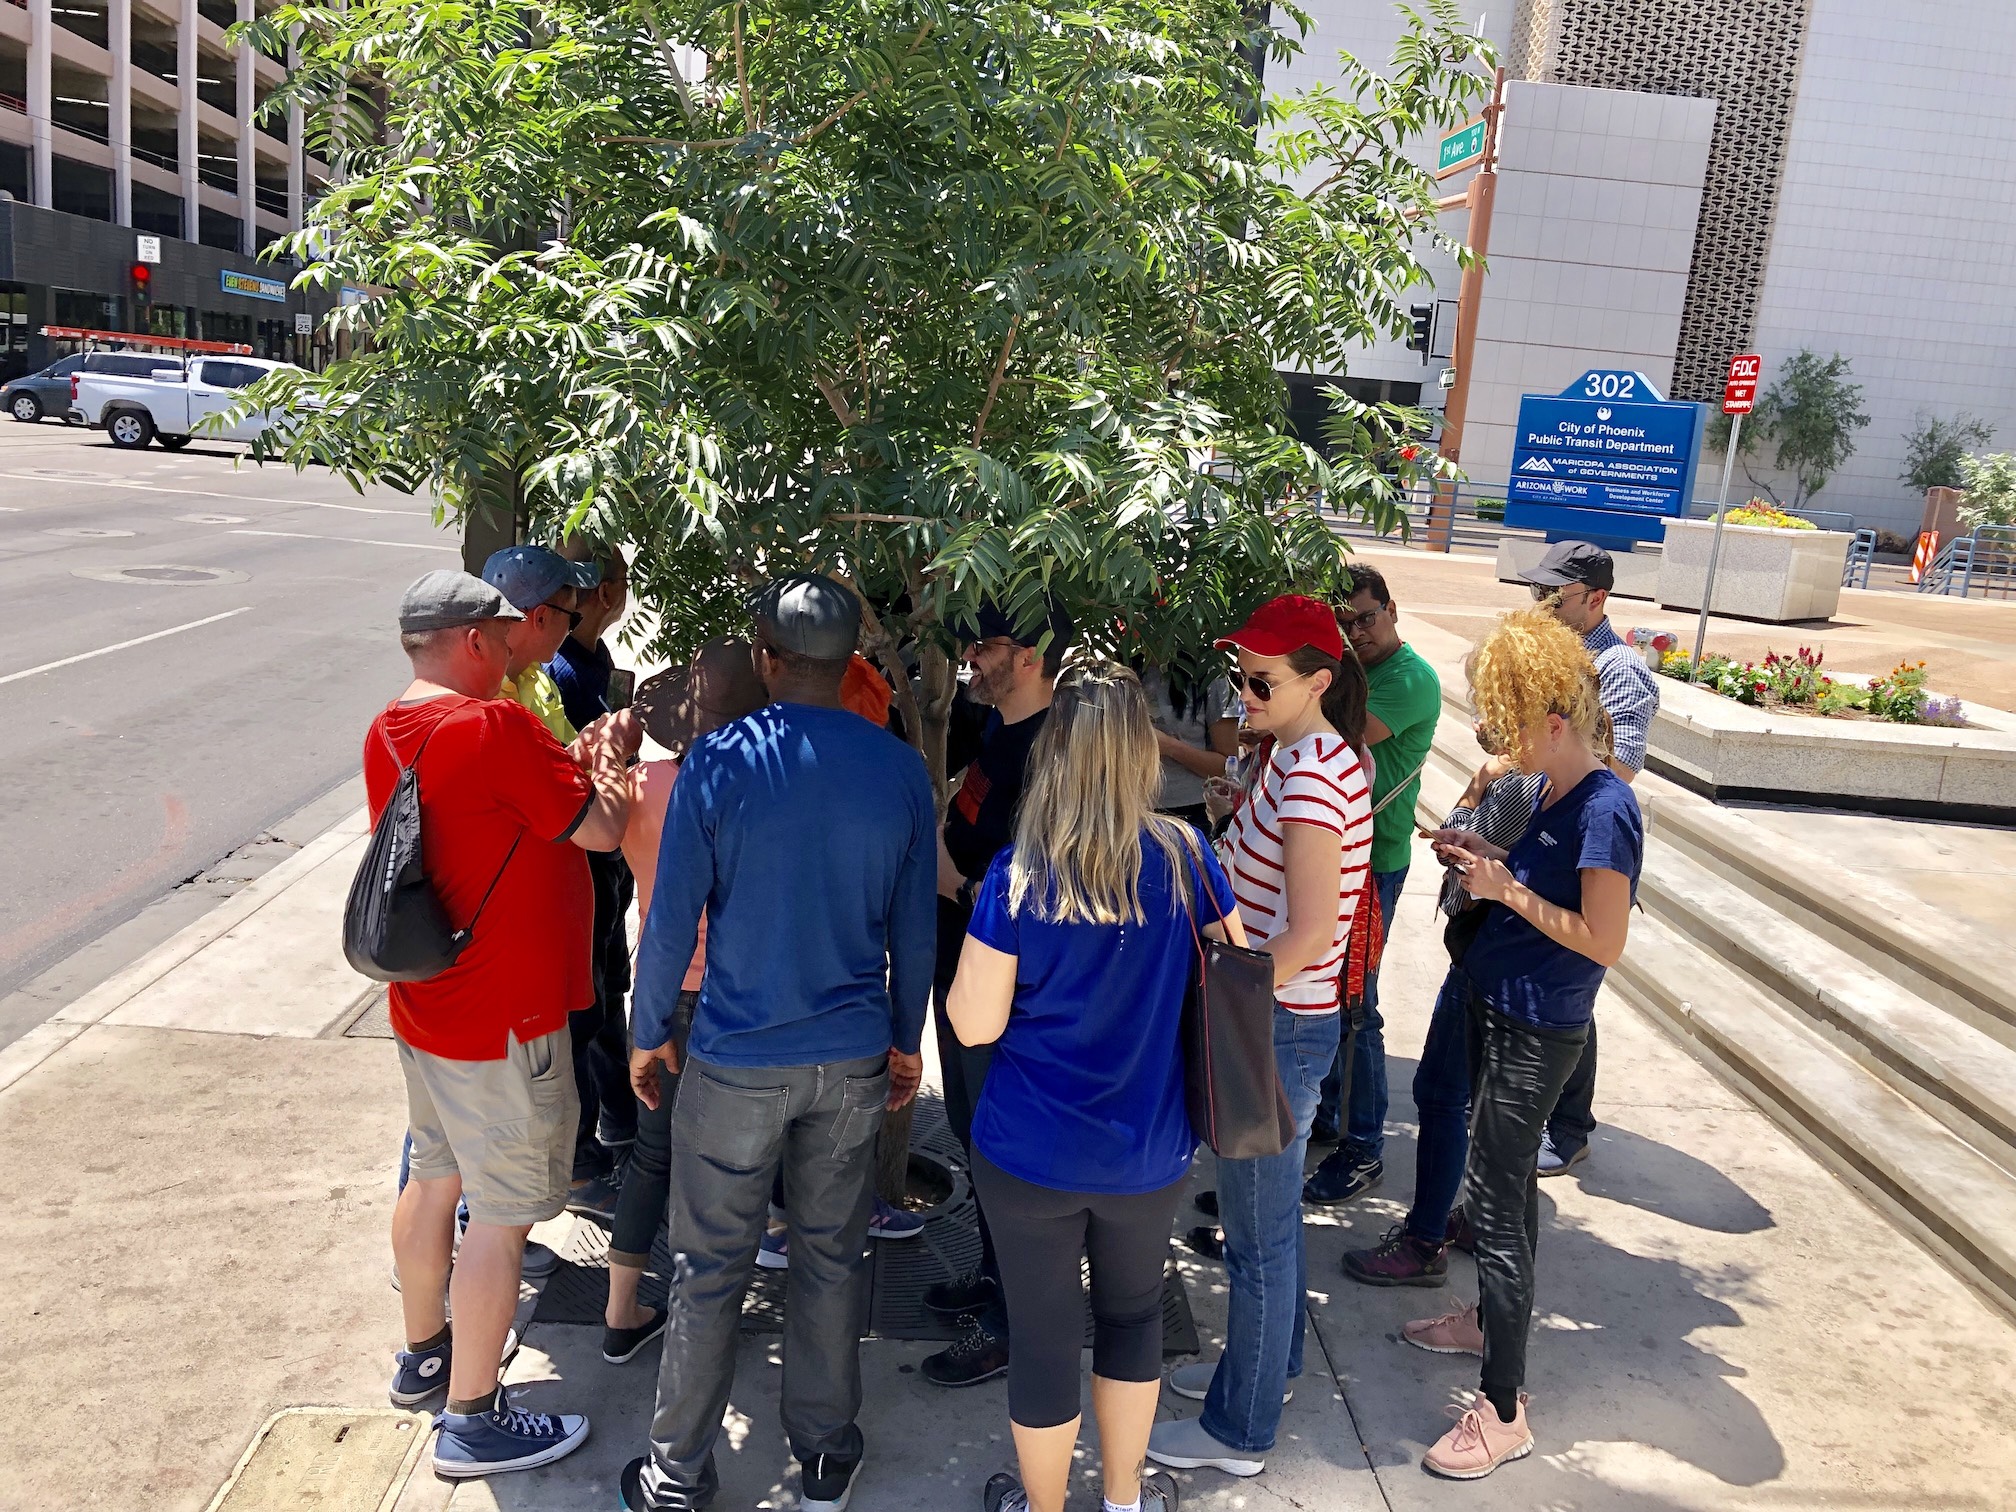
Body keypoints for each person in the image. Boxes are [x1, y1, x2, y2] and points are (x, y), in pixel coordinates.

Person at [620, 575, 935, 1512]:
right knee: (832, 1259)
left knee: (708, 1267)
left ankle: (677, 1473)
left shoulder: (719, 760)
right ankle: (828, 1452)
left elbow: (672, 920)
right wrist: (904, 1038)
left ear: (766, 658)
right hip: (848, 1061)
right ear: (849, 668)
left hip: (734, 1059)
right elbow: (912, 927)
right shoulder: (895, 768)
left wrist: (645, 1034)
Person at [944, 659, 1243, 1512]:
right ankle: (1122, 1500)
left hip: (1028, 1151)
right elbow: (1239, 966)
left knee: (1042, 1339)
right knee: (1133, 1319)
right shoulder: (1187, 857)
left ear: (1057, 755)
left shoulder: (1019, 874)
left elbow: (973, 1024)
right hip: (1148, 1149)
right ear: (1138, 754)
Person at [368, 569, 632, 1478]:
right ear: (477, 639)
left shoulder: (391, 726)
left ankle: (426, 1355)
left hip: (429, 1002)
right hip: (505, 1017)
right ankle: (474, 1417)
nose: (522, 641)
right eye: (508, 629)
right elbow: (596, 829)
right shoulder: (490, 725)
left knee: (435, 1177)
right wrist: (609, 771)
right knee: (505, 1218)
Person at [1401, 606, 1643, 1479]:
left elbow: (1604, 941)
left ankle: (1504, 1412)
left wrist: (1505, 892)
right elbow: (1523, 883)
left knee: (1500, 1209)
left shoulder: (1606, 810)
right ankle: (1482, 1324)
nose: (1498, 749)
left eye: (1510, 730)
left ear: (1553, 720)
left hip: (1536, 1025)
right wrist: (1478, 856)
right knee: (1490, 1187)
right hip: (1491, 991)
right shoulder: (1547, 789)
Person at [1147, 594, 1374, 1480]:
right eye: (1239, 674)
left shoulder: (1313, 773)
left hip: (1275, 1024)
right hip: (1274, 1019)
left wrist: (1227, 979)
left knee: (1258, 1236)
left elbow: (1311, 932)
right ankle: (1261, 1368)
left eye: (1262, 679)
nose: (1243, 691)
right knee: (1265, 1224)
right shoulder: (1295, 754)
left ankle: (1240, 1430)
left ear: (1318, 679)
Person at [599, 641, 769, 1367]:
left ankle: (619, 1310)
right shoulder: (760, 789)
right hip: (738, 994)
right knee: (738, 1160)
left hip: (665, 991)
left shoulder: (641, 785)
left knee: (653, 1155)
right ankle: (719, 1311)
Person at [922, 597, 1074, 1390]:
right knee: (973, 1139)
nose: (973, 658)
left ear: (1032, 656)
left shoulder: (1054, 751)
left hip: (1006, 991)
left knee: (1006, 1154)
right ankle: (993, 1274)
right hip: (964, 972)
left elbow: (1053, 890)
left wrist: (959, 883)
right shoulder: (998, 731)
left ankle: (1015, 1326)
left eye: (988, 646)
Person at [1518, 540, 1660, 1176]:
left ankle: (1569, 1126)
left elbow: (1621, 766)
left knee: (1572, 988)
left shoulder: (1619, 670)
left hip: (1586, 847)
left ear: (1595, 600)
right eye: (1536, 595)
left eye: (1554, 598)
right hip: (1538, 824)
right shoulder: (1552, 658)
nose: (1541, 608)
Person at [1306, 564, 1443, 1203]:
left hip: (1375, 858)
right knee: (1334, 996)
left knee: (1358, 1004)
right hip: (1342, 850)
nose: (1357, 630)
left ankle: (1364, 1150)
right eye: (1346, 621)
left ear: (1393, 608)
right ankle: (1330, 1117)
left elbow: (1338, 734)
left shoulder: (1411, 678)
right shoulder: (1357, 668)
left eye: (1366, 616)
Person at [482, 544, 596, 743]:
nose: (572, 629)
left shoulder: (538, 679)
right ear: (541, 618)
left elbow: (567, 758)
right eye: (573, 618)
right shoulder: (479, 698)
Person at [1142, 662, 1238, 828]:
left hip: (1190, 814)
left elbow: (1226, 765)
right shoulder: (1121, 664)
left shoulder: (1210, 671)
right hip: (1127, 809)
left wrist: (1170, 747)